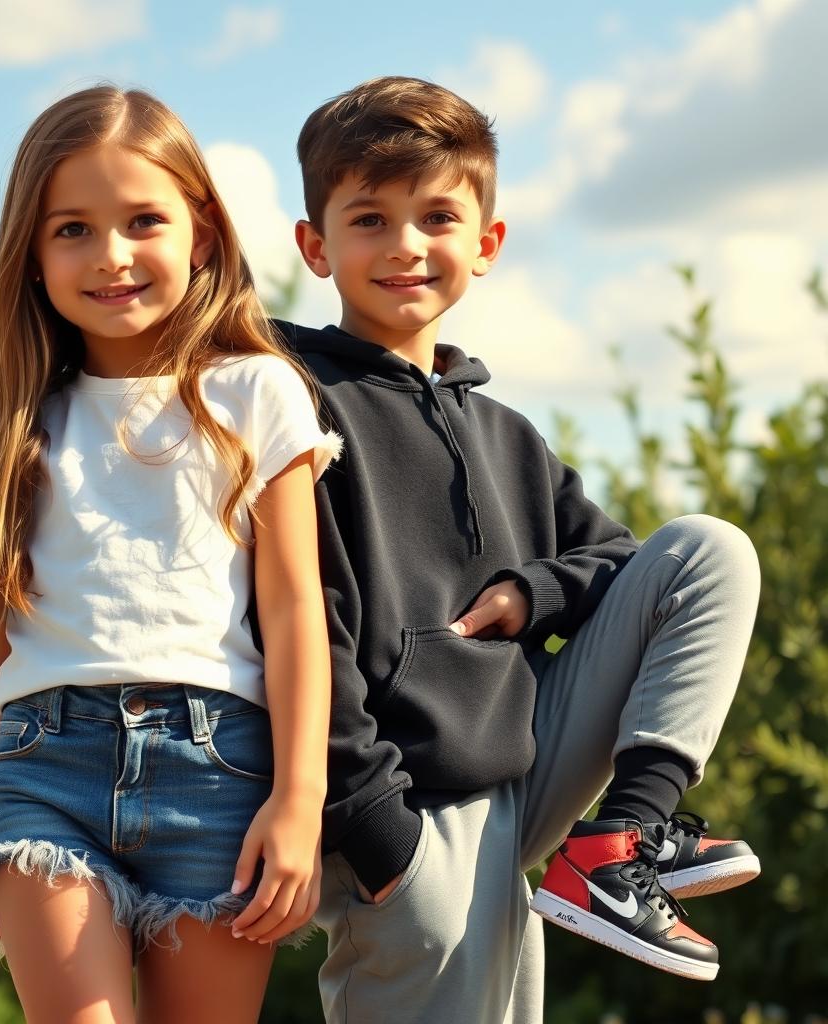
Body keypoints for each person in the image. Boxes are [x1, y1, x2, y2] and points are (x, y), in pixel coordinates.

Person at [276, 75, 762, 1023]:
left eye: (437, 217)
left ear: (486, 243)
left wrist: (532, 593)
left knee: (707, 553)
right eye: (370, 219)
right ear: (315, 246)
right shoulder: (296, 401)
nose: (406, 244)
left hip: (527, 763)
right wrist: (376, 833)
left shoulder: (507, 434)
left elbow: (622, 561)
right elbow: (303, 621)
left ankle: (620, 842)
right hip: (406, 801)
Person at [0, 85, 340, 1024]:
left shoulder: (258, 392)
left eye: (142, 221)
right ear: (32, 257)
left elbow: (294, 610)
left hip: (220, 774)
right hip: (47, 773)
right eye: (72, 229)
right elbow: (10, 638)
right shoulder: (23, 424)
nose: (110, 255)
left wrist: (300, 798)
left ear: (200, 234)